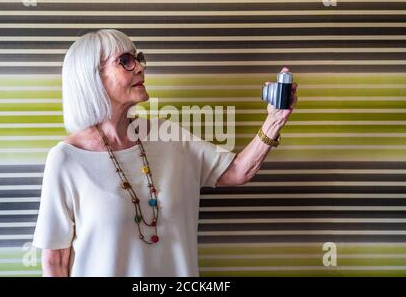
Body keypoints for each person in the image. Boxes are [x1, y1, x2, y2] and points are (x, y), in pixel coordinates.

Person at [32, 29, 298, 277]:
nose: (140, 66)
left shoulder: (169, 136)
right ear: (93, 78)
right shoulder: (66, 159)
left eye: (139, 58)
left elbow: (238, 172)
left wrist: (274, 121)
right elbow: (55, 261)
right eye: (125, 60)